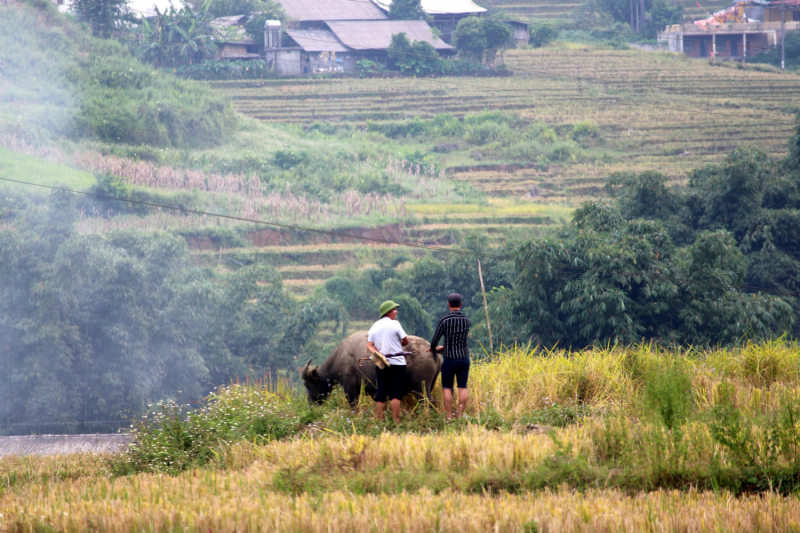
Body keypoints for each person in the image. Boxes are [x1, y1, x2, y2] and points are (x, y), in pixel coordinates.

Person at [429, 293, 471, 420]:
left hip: (450, 359)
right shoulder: (466, 321)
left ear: (448, 304)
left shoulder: (444, 320)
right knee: (462, 387)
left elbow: (435, 340)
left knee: (447, 388)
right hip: (464, 358)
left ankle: (448, 417)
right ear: (461, 304)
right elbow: (459, 339)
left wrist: (434, 349)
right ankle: (460, 414)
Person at [367, 300, 409, 423]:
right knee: (395, 393)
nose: (396, 312)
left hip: (381, 364)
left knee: (381, 392)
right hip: (397, 363)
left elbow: (369, 345)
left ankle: (380, 422)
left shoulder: (374, 326)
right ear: (388, 312)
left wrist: (378, 354)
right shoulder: (395, 324)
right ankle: (396, 421)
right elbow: (406, 341)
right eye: (394, 309)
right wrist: (396, 343)